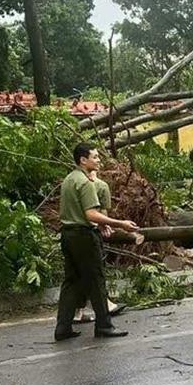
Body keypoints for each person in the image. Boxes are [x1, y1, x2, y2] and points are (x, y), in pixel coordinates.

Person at [54, 144, 137, 342]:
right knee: (96, 281)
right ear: (83, 160)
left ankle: (63, 327)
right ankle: (104, 325)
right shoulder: (85, 182)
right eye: (95, 156)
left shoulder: (68, 180)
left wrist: (101, 224)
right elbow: (90, 214)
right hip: (83, 235)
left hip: (67, 234)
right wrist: (121, 224)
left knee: (71, 282)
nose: (99, 160)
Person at [73, 166, 131, 324]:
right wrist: (110, 225)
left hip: (73, 233)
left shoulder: (71, 181)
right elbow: (100, 214)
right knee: (96, 272)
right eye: (96, 157)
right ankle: (104, 312)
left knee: (78, 274)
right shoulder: (98, 186)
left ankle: (77, 310)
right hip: (91, 232)